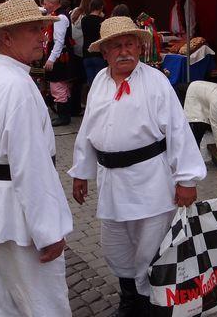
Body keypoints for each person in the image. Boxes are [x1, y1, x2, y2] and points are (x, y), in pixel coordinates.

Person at [69, 16, 207, 316]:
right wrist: (81, 172)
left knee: (151, 248)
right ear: (104, 52)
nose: (124, 51)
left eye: (130, 44)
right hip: (111, 183)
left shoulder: (155, 82)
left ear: (140, 47)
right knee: (117, 246)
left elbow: (178, 130)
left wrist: (186, 179)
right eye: (116, 46)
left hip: (150, 183)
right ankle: (129, 299)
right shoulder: (99, 82)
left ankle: (151, 304)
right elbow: (88, 129)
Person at [0, 0, 73, 316]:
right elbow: (30, 166)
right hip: (17, 214)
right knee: (43, 305)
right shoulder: (15, 86)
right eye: (33, 30)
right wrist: (48, 231)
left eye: (42, 28)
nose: (42, 36)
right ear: (7, 37)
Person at [41, 0, 77, 127]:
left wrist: (51, 59)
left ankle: (63, 117)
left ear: (51, 3)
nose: (44, 6)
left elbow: (59, 41)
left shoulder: (60, 18)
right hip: (61, 56)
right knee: (62, 86)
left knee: (57, 86)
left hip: (60, 58)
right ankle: (65, 114)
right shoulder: (58, 15)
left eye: (45, 3)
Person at [81, 0, 107, 85]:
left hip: (86, 53)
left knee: (91, 83)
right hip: (98, 54)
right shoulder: (102, 21)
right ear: (101, 7)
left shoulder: (84, 20)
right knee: (100, 83)